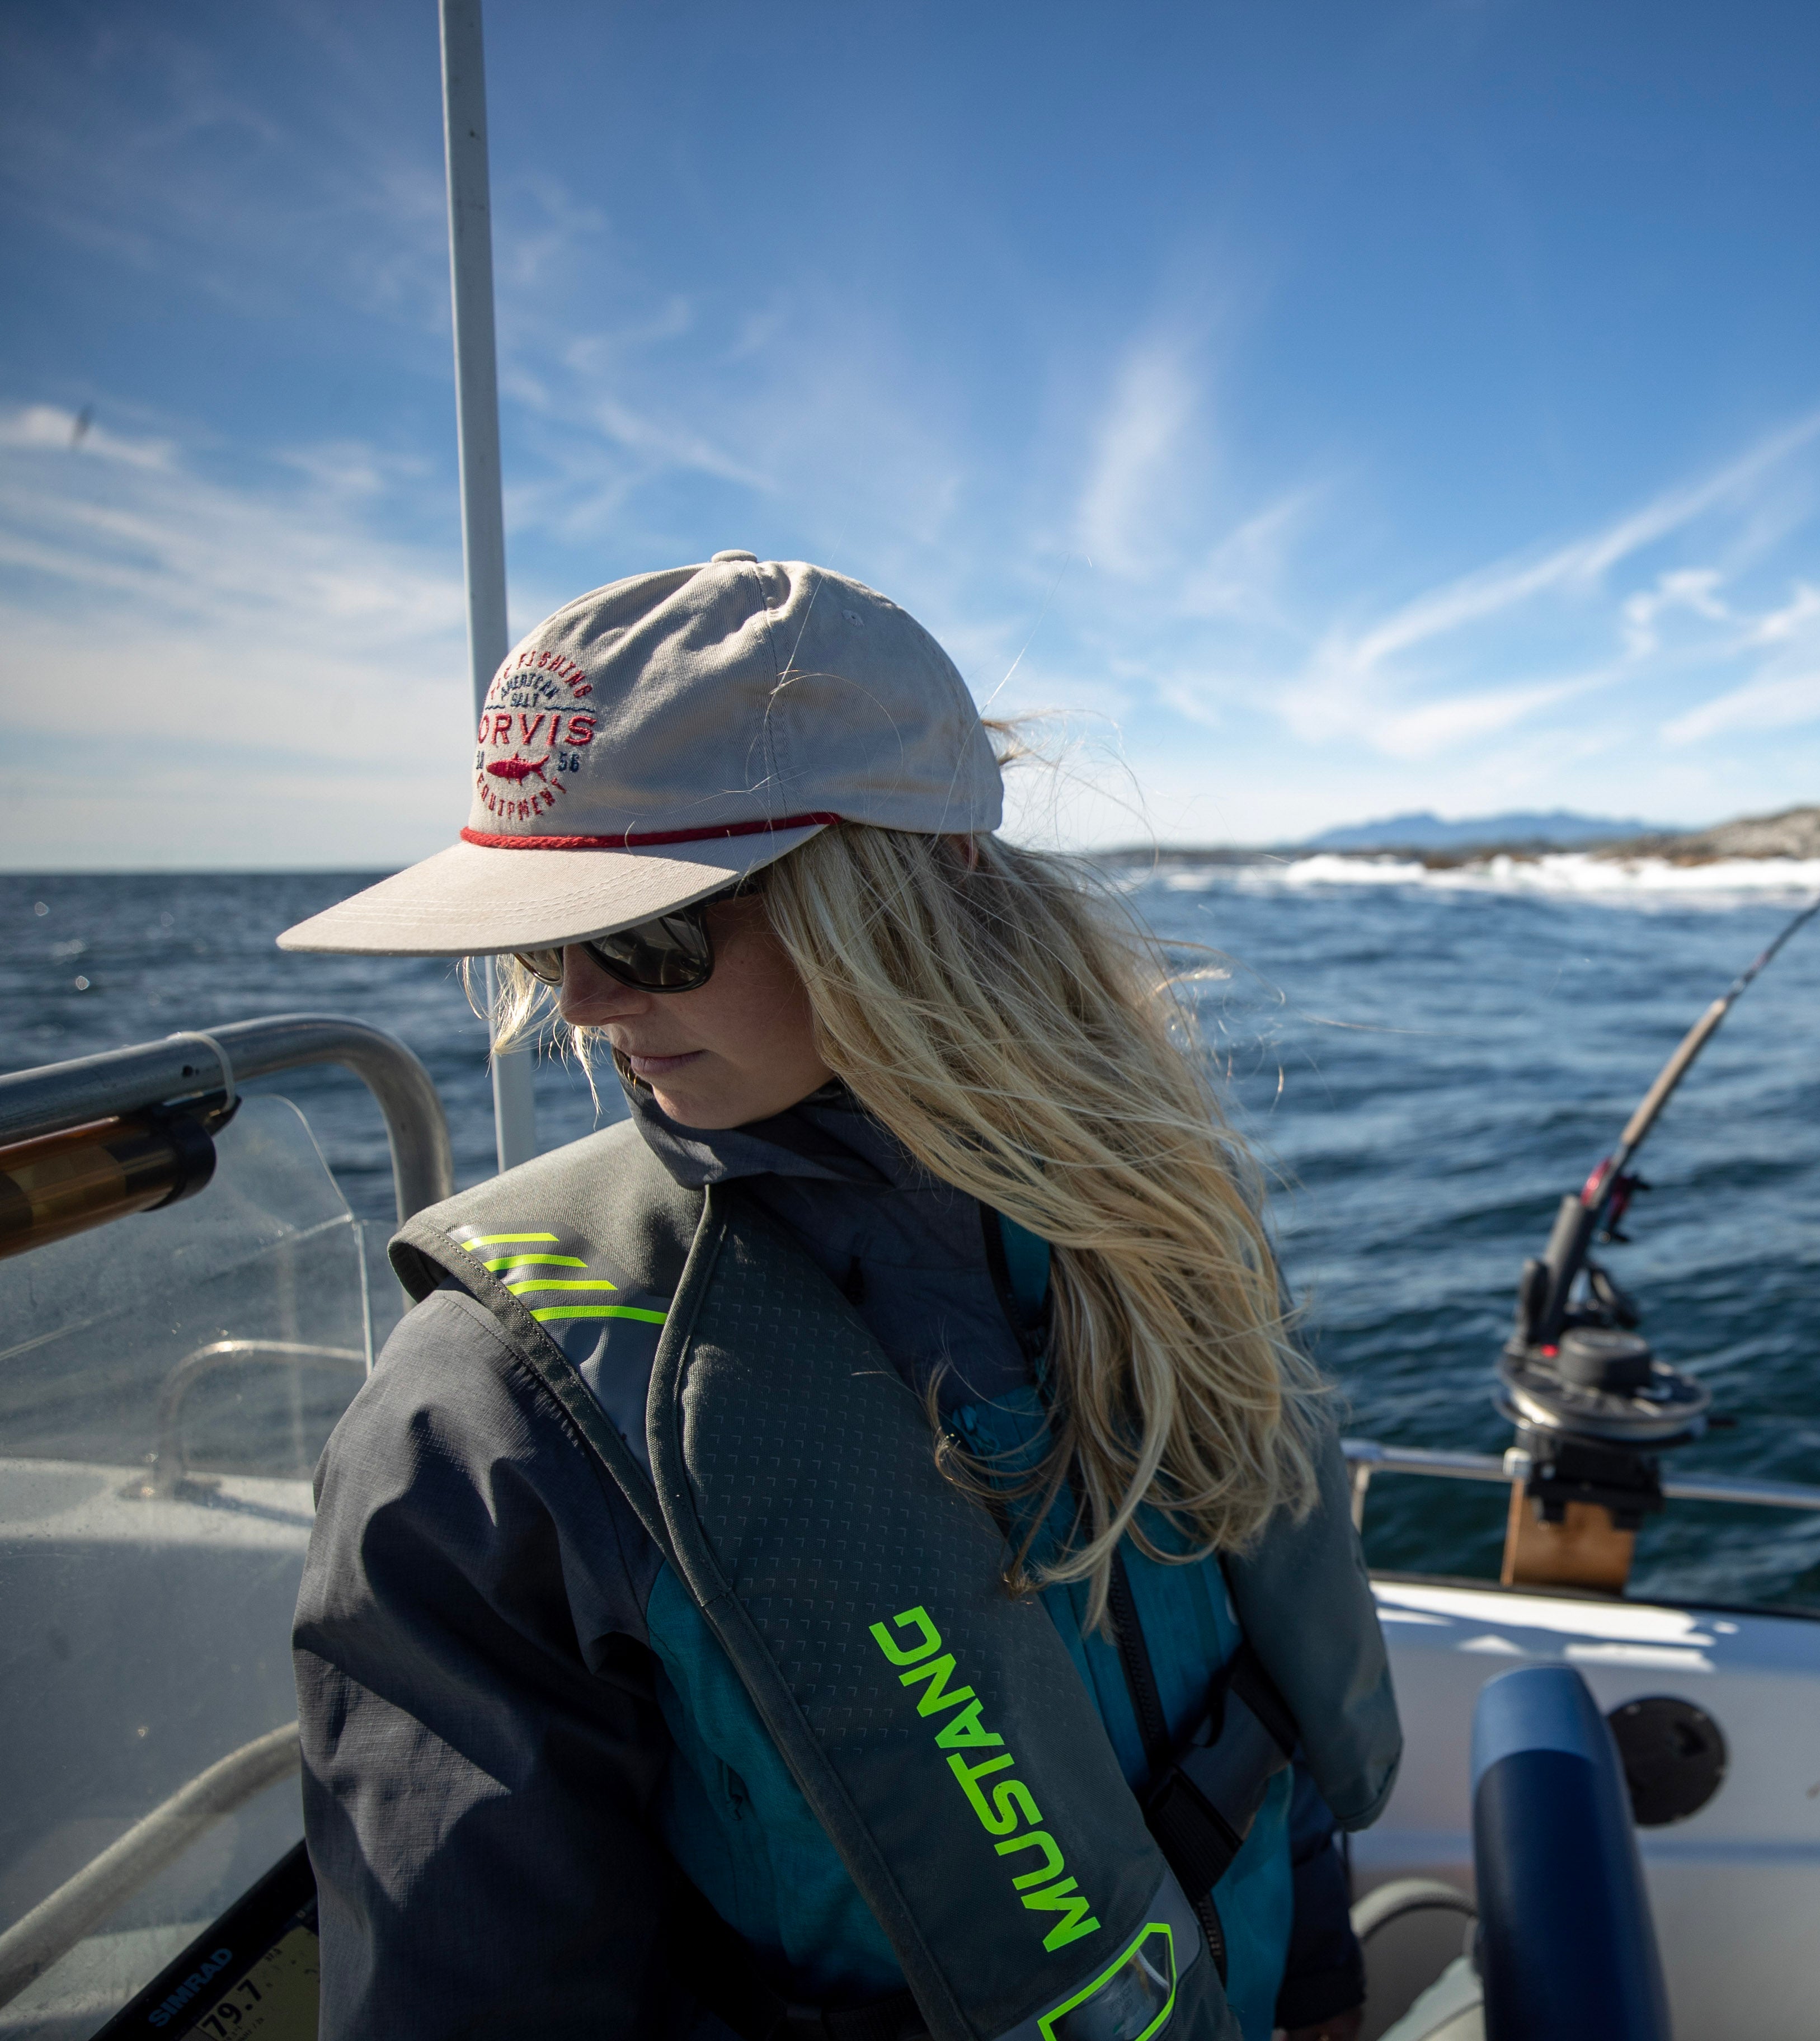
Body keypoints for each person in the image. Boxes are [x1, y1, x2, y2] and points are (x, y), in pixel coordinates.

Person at [280, 553, 1398, 2041]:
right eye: (545, 939)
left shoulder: (1143, 1226)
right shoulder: (486, 1427)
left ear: (921, 891)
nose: (584, 1003)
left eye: (652, 931)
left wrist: (1318, 1993)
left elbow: (1258, 1719)